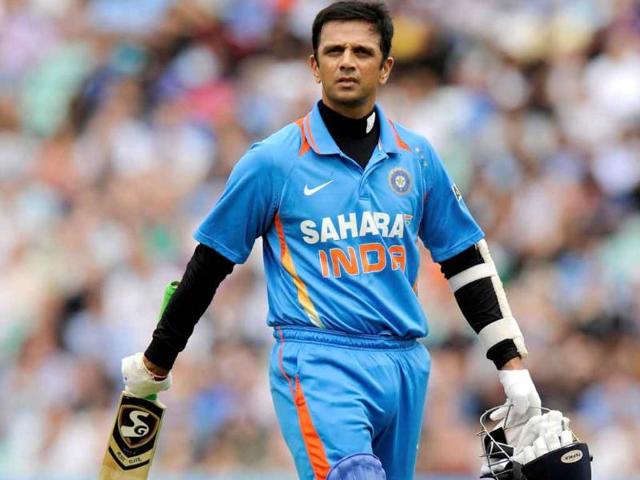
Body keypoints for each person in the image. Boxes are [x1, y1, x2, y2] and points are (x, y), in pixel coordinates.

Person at [121, 2, 541, 479]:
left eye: (362, 51)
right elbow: (210, 264)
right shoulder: (273, 162)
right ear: (313, 65)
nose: (346, 61)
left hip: (404, 365)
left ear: (385, 68)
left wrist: (512, 366)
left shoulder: (417, 157)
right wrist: (157, 361)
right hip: (318, 358)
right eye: (334, 50)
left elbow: (464, 259)